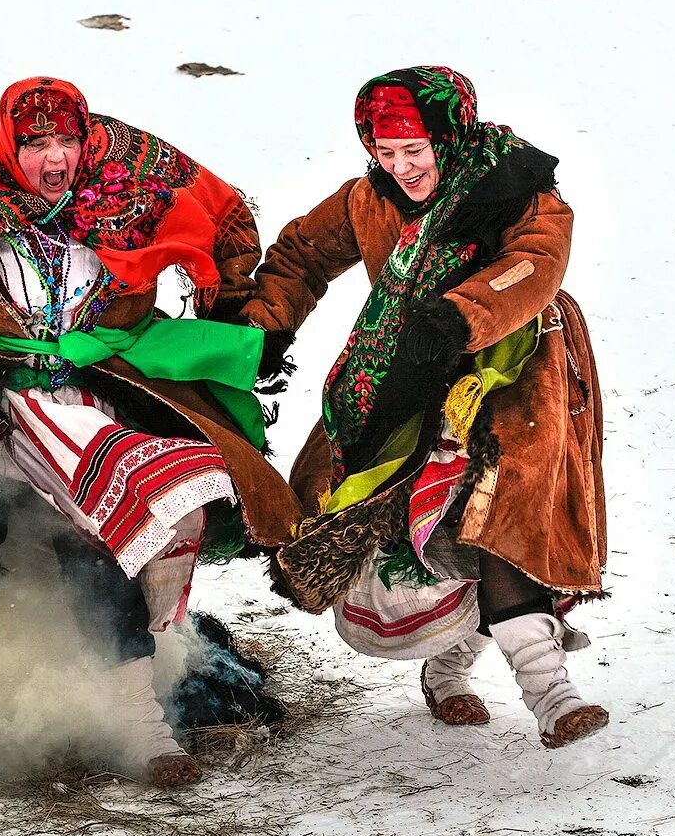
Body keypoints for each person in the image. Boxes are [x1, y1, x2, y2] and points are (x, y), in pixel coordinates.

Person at [0, 77, 301, 786]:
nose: (56, 159)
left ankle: (144, 731)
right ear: (7, 143)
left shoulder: (129, 188)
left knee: (116, 531)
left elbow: (222, 216)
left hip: (93, 400)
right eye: (37, 143)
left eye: (67, 141)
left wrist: (233, 314)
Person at [237, 66, 610, 747]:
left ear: (451, 132)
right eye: (385, 153)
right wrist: (268, 324)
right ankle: (446, 671)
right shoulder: (368, 199)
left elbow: (537, 260)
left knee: (505, 508)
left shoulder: (516, 186)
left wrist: (460, 316)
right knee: (420, 519)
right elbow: (300, 255)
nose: (402, 168)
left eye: (416, 151)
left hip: (515, 365)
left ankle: (550, 691)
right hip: (402, 375)